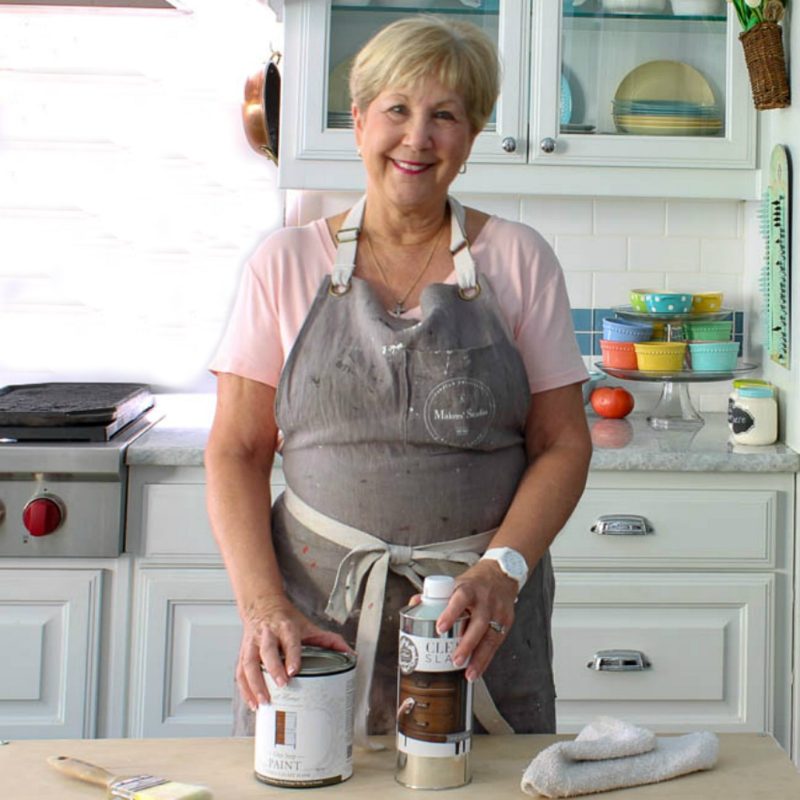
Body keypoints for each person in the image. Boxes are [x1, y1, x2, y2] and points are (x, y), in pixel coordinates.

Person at [205, 15, 592, 743]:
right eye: (397, 110)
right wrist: (263, 607)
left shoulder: (518, 258)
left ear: (471, 139)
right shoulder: (284, 263)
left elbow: (562, 444)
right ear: (357, 124)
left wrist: (501, 572)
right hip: (312, 625)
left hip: (479, 621)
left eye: (445, 115)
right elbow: (237, 451)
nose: (418, 138)